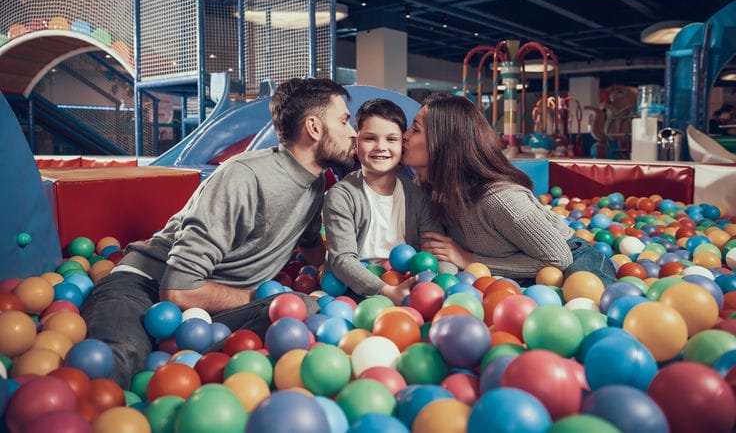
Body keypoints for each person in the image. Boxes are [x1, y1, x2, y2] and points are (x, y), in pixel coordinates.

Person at [81, 78, 357, 388]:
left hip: (209, 310)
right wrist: (263, 296)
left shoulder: (315, 184)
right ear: (314, 128)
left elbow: (310, 245)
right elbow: (178, 290)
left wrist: (347, 276)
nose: (353, 132)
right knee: (116, 366)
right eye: (345, 120)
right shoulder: (245, 176)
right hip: (144, 285)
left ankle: (182, 375)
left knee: (300, 309)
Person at [402, 93, 617, 286]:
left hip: (571, 255)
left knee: (585, 291)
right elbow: (440, 255)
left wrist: (469, 259)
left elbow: (558, 259)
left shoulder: (500, 199)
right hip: (511, 273)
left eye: (416, 129)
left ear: (445, 144)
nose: (405, 135)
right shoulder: (430, 190)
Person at [323, 99, 456, 305]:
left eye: (391, 139)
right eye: (370, 138)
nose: (381, 147)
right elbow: (343, 260)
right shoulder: (342, 195)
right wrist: (386, 290)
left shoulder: (417, 195)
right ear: (356, 143)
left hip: (411, 287)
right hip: (355, 292)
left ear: (402, 145)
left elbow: (439, 253)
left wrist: (437, 285)